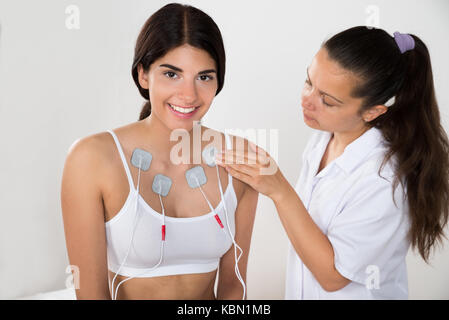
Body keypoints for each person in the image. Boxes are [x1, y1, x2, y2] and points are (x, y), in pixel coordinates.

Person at [216, 26, 449, 299]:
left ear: (373, 111)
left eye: (327, 100)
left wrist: (279, 189)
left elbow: (333, 277)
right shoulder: (324, 139)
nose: (307, 100)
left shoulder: (384, 181)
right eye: (309, 82)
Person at [61, 3, 258, 300]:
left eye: (204, 77)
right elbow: (91, 295)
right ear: (143, 74)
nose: (189, 95)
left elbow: (233, 288)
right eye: (171, 74)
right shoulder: (92, 158)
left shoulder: (237, 159)